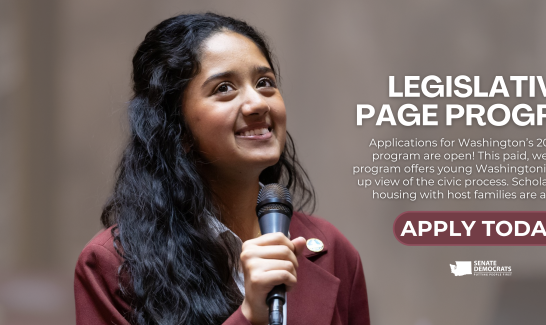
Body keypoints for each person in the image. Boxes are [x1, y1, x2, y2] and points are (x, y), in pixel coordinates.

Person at [73, 12, 370, 325]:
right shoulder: (112, 265)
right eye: (224, 88)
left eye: (265, 83)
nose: (257, 103)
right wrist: (248, 316)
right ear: (177, 128)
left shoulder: (330, 249)